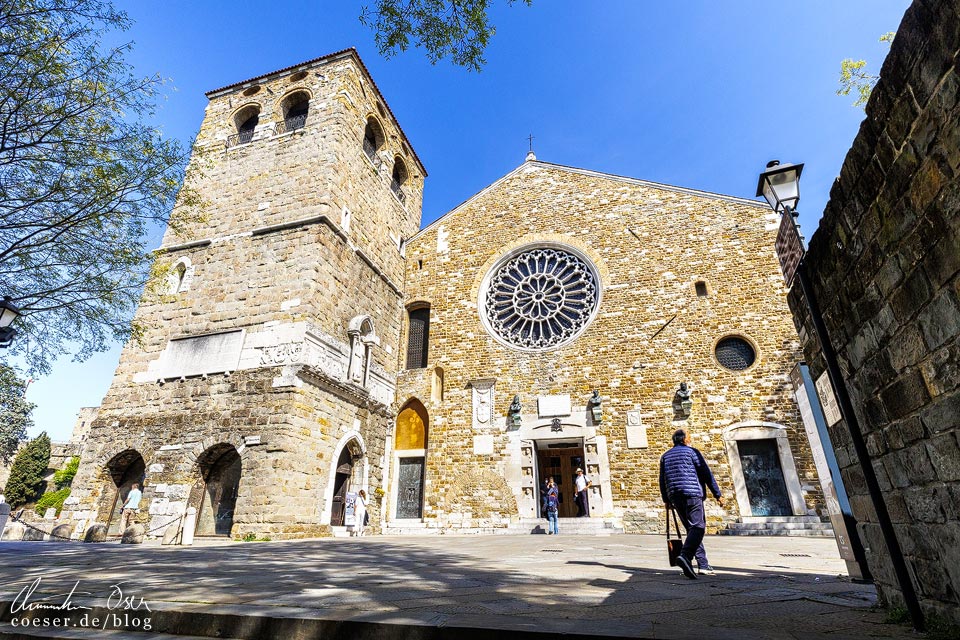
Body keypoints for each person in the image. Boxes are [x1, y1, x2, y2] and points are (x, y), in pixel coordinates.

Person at [659, 429, 724, 579]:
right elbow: (706, 474)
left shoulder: (665, 456)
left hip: (675, 496)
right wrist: (718, 494)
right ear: (684, 440)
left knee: (692, 529)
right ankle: (685, 556)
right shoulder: (692, 452)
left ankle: (703, 564)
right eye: (689, 437)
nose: (690, 439)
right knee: (698, 527)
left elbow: (662, 480)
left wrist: (666, 500)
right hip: (692, 493)